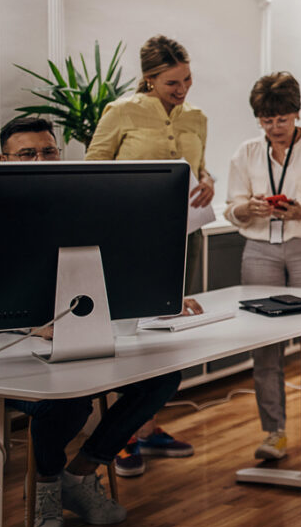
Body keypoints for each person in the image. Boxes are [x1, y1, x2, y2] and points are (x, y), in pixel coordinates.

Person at [0, 116, 188, 527]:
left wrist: (158, 299)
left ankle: (79, 473)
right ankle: (46, 486)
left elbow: (116, 268)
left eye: (48, 151)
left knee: (162, 377)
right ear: (4, 159)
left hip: (82, 337)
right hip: (8, 354)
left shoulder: (81, 206)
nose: (40, 160)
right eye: (27, 154)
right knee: (68, 400)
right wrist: (32, 327)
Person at [85, 35, 209, 475]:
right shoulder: (121, 112)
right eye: (173, 82)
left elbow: (197, 167)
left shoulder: (197, 117)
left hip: (182, 235)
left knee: (168, 328)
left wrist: (207, 179)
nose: (183, 89)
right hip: (131, 239)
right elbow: (93, 168)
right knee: (131, 333)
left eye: (188, 79)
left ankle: (149, 425)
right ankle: (121, 436)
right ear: (149, 80)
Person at [224, 71, 301, 463]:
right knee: (266, 345)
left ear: (296, 113)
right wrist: (249, 208)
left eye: (281, 119)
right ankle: (273, 433)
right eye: (266, 120)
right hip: (260, 249)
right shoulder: (246, 152)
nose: (274, 128)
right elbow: (233, 207)